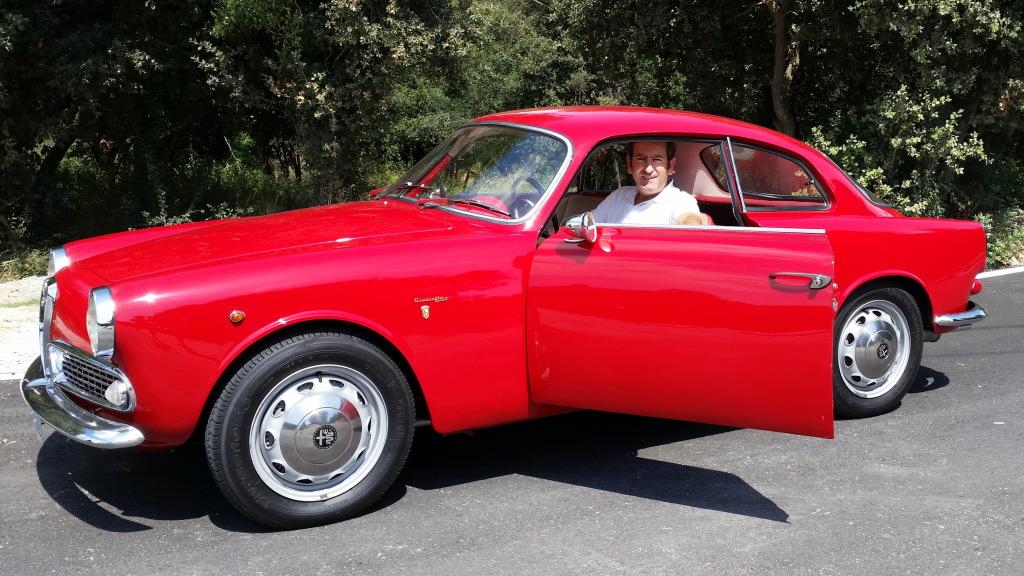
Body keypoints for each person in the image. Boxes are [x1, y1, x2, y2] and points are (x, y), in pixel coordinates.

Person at [591, 140, 707, 225]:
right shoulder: (619, 195)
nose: (648, 169)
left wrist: (694, 223)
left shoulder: (680, 200)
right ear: (629, 164)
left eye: (657, 159)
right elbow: (588, 221)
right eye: (641, 159)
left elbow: (689, 223)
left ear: (670, 166)